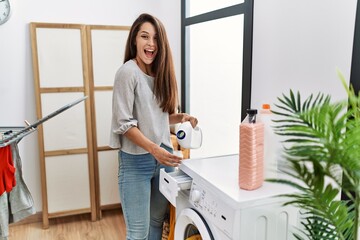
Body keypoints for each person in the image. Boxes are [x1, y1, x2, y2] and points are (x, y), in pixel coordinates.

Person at [110, 13, 198, 240]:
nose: (151, 43)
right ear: (134, 41)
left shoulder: (160, 74)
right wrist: (155, 150)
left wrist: (181, 117)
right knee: (138, 232)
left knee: (157, 223)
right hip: (135, 163)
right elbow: (125, 125)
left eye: (156, 38)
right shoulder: (127, 73)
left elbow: (156, 117)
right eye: (144, 36)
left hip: (163, 160)